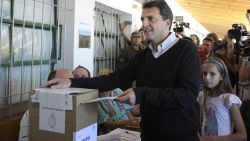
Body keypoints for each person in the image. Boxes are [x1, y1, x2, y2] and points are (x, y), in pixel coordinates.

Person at [42, 1, 201, 141]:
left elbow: (187, 95)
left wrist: (141, 93)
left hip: (179, 134)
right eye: (142, 19)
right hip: (149, 133)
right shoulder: (143, 56)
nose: (144, 24)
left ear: (167, 23)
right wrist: (71, 82)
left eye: (151, 19)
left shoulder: (186, 50)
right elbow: (110, 80)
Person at [199, 57, 246, 141]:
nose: (206, 77)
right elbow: (202, 122)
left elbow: (242, 135)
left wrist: (211, 139)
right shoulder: (203, 96)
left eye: (212, 74)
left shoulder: (228, 99)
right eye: (205, 73)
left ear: (222, 76)